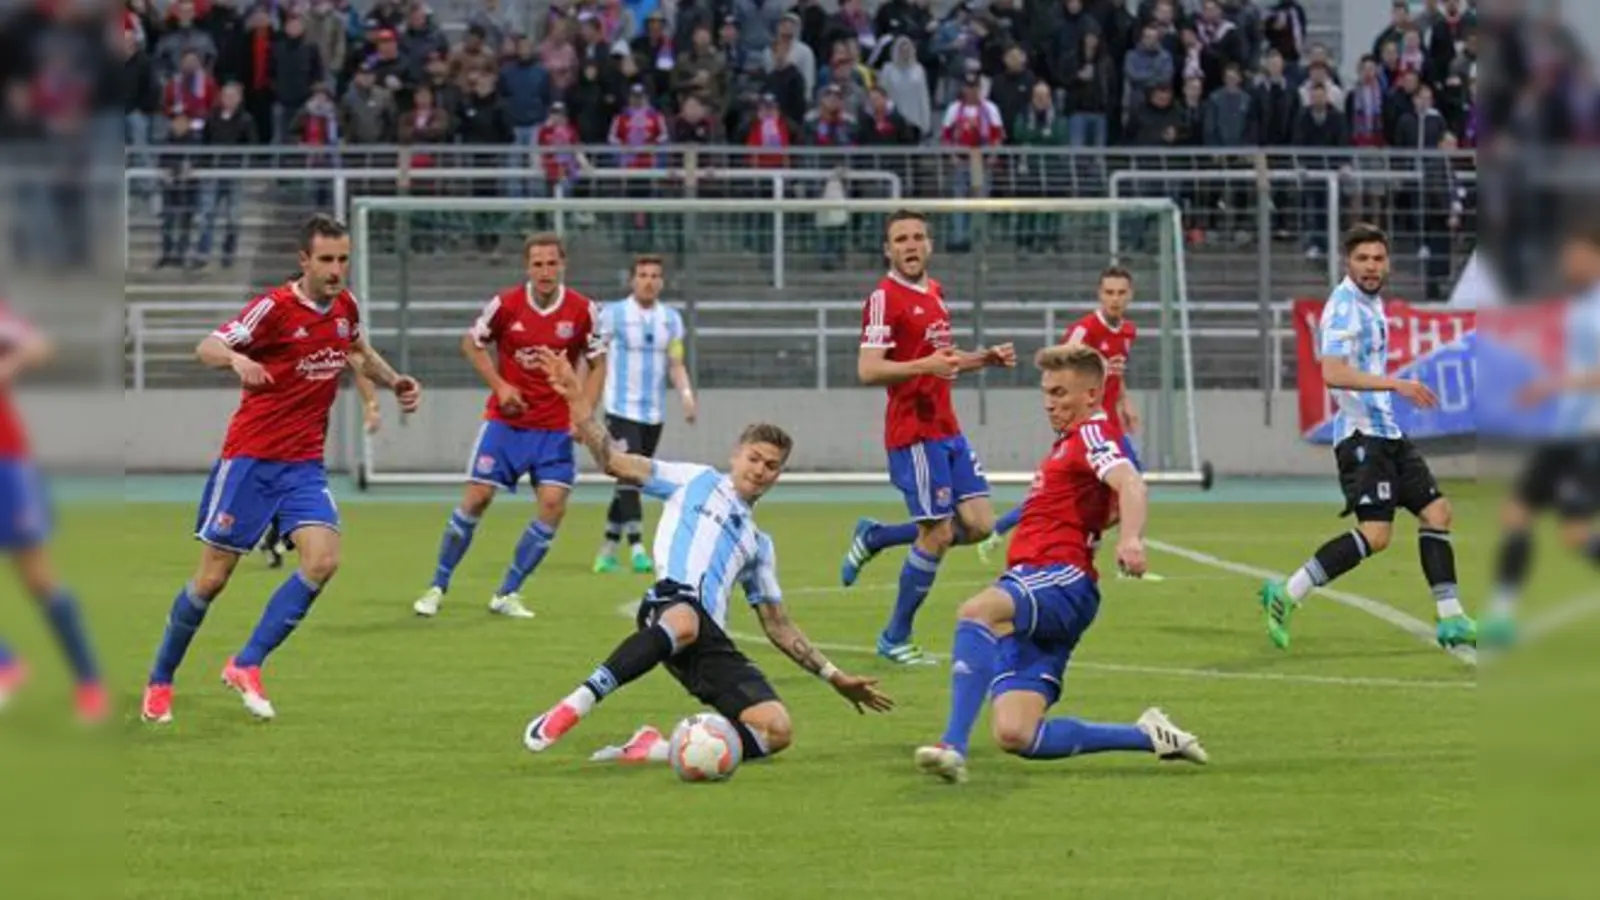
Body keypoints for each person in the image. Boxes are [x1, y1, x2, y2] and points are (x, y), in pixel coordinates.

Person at [522, 348, 893, 764]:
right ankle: (576, 703)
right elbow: (614, 462)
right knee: (685, 619)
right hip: (670, 605)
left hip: (708, 640)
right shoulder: (694, 479)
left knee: (777, 730)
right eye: (754, 458)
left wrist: (835, 676)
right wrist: (577, 400)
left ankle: (654, 748)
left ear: (778, 474)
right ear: (736, 455)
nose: (760, 470)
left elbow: (778, 625)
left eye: (771, 465)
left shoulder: (759, 545)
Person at [141, 214, 423, 724]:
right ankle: (160, 679)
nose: (336, 269)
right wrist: (236, 360)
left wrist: (394, 380)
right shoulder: (273, 308)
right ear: (304, 260)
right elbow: (207, 346)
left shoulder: (346, 307)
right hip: (250, 460)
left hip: (304, 466)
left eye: (343, 259)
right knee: (211, 580)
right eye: (326, 259)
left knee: (323, 561)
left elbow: (357, 351)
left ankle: (246, 663)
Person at [916, 344, 1207, 784]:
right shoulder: (1069, 445)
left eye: (1060, 393)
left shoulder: (1093, 434)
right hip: (1039, 583)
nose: (1050, 404)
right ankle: (1149, 736)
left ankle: (951, 747)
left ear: (1092, 395)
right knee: (1016, 734)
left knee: (977, 612)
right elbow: (1107, 502)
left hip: (1060, 579)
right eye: (1046, 393)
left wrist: (1131, 539)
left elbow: (1130, 483)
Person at [1259, 224, 1473, 650]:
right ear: (1348, 262)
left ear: (1387, 262)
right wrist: (1395, 384)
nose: (1371, 266)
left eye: (1378, 258)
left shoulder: (1370, 303)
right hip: (1362, 436)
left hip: (1386, 431)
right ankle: (1288, 592)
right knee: (1376, 534)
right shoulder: (1343, 308)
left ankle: (1452, 618)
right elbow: (1332, 371)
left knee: (1437, 512)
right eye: (1363, 259)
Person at [837, 209, 1016, 665]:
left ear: (930, 245)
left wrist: (984, 359)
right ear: (888, 250)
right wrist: (924, 366)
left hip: (946, 427)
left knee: (980, 524)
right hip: (914, 432)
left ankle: (876, 536)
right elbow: (868, 368)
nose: (911, 245)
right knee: (936, 533)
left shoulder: (935, 292)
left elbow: (943, 360)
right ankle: (894, 637)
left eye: (917, 237)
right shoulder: (883, 298)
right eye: (901, 239)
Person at [412, 234, 606, 619]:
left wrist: (582, 414)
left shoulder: (583, 310)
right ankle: (437, 585)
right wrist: (500, 386)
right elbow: (471, 344)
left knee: (553, 506)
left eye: (552, 263)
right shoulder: (506, 305)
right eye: (538, 264)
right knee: (477, 498)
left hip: (554, 430)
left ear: (563, 265)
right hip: (507, 425)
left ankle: (508, 593)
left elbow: (598, 362)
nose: (545, 271)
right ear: (527, 267)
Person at [1483, 222, 1600, 646]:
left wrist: (1552, 385)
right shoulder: (1580, 306)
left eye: (1575, 255)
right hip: (1563, 433)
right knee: (1516, 513)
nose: (1567, 263)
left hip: (1591, 436)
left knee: (1575, 534)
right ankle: (1501, 615)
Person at [981, 266, 1144, 564]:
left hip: (1110, 422)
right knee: (1123, 484)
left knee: (1112, 492)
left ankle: (1095, 545)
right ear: (1100, 294)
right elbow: (1062, 369)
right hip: (1088, 422)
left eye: (1121, 293)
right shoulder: (1085, 330)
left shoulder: (1128, 331)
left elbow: (1115, 374)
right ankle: (1118, 551)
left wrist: (1125, 402)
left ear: (1130, 295)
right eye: (1109, 292)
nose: (1115, 299)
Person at [0, 303, 107, 722]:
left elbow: (39, 346)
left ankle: (89, 681)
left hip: (6, 462)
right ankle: (6, 664)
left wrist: (9, 365)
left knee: (38, 578)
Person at [592, 255, 697, 575]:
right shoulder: (613, 315)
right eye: (643, 275)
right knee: (631, 475)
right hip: (620, 409)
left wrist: (686, 395)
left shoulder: (671, 320)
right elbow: (595, 358)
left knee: (631, 476)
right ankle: (637, 547)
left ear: (662, 282)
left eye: (654, 276)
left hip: (654, 413)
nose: (648, 281)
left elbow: (676, 363)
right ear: (632, 280)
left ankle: (608, 549)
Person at [258, 341, 384, 569]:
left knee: (295, 481)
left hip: (312, 426)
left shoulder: (333, 329)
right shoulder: (279, 328)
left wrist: (371, 405)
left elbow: (357, 359)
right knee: (277, 480)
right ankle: (275, 534)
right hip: (274, 421)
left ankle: (279, 535)